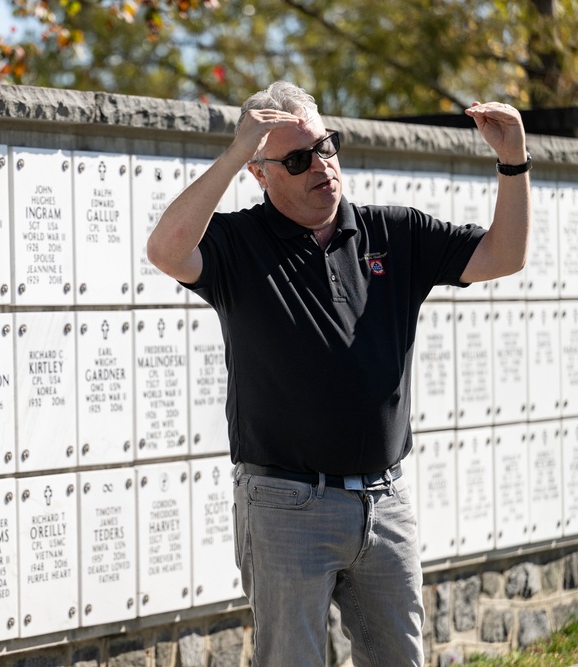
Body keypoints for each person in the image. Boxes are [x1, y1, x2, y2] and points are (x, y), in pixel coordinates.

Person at [146, 81, 530, 666]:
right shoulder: (239, 243)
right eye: (297, 160)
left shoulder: (393, 232)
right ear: (260, 172)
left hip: (385, 501)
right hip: (284, 505)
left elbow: (505, 256)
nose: (320, 166)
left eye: (326, 146)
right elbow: (167, 251)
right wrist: (231, 153)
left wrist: (512, 160)